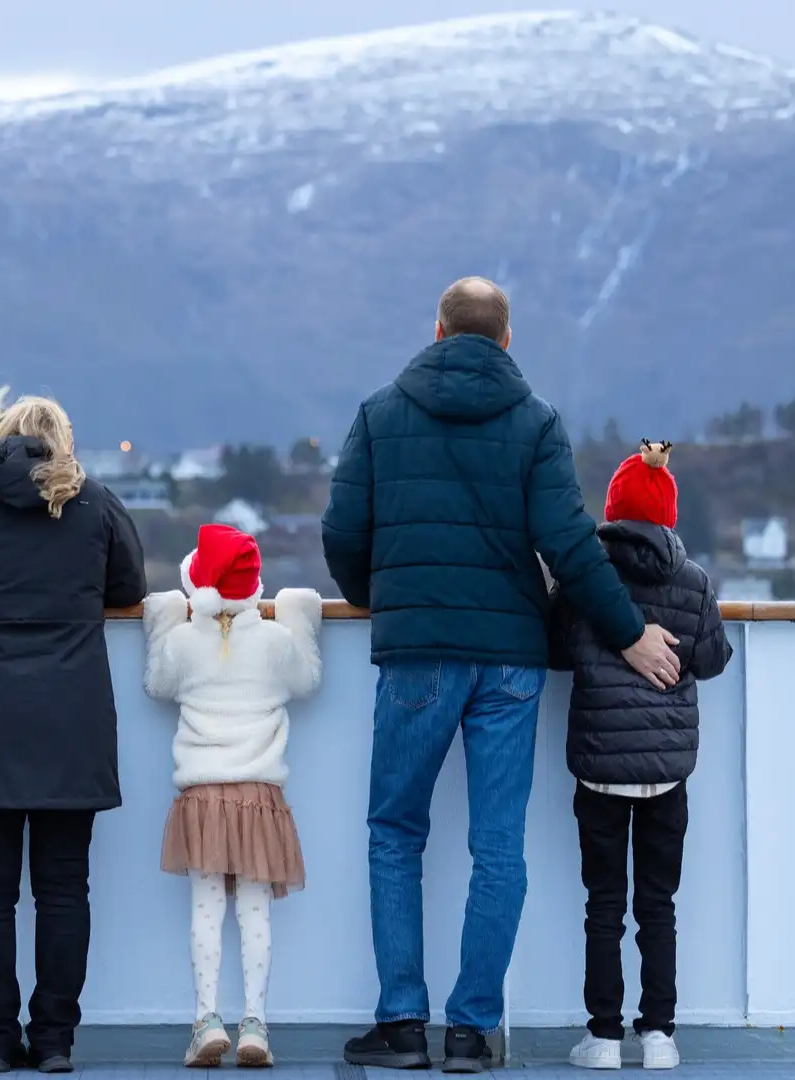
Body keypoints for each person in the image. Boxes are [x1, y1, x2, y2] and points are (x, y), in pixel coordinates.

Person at [321, 277, 683, 1073]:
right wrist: (630, 634)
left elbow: (343, 530)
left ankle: (402, 1025)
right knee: (497, 846)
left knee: (394, 832)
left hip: (416, 651)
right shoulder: (536, 421)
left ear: (439, 330)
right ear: (507, 340)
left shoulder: (381, 413)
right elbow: (570, 543)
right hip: (511, 659)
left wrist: (383, 601)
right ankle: (471, 1030)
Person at [0, 390, 147, 1075]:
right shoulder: (95, 503)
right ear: (61, 444)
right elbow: (128, 586)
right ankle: (54, 1042)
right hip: (71, 717)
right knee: (64, 889)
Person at [548, 442, 732, 1072]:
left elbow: (555, 649)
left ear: (613, 511)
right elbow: (710, 660)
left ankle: (602, 1036)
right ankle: (659, 1035)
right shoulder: (695, 580)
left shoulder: (585, 581)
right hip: (666, 773)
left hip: (599, 767)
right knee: (658, 905)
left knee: (604, 904)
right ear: (669, 513)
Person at [141, 524, 325, 1069]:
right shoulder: (272, 642)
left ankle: (205, 1020)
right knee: (254, 909)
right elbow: (308, 679)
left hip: (201, 795)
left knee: (205, 909)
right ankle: (255, 1024)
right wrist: (296, 612)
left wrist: (163, 619)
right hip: (258, 795)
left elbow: (157, 684)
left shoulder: (183, 642)